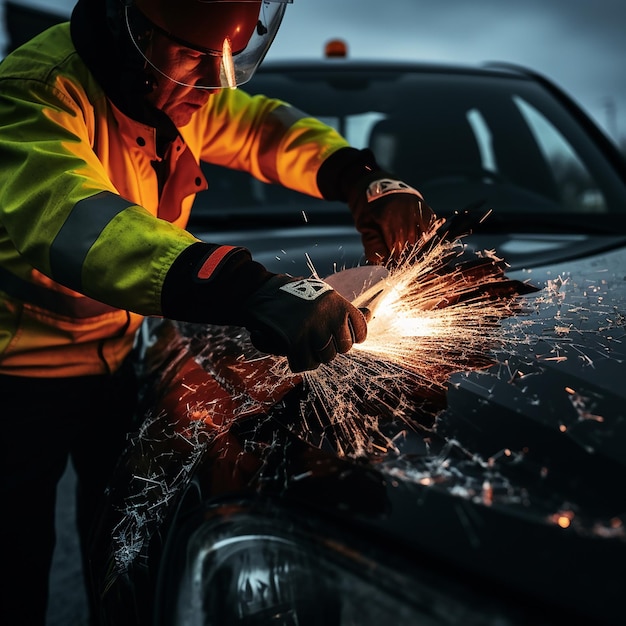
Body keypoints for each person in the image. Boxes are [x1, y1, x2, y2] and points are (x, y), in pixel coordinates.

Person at [0, 0, 435, 623]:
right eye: (194, 56)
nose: (213, 83)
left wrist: (363, 179)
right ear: (132, 26)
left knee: (124, 563)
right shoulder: (32, 96)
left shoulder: (174, 82)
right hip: (14, 382)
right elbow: (80, 225)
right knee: (11, 574)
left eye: (226, 58)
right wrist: (245, 288)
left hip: (115, 362)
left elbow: (263, 128)